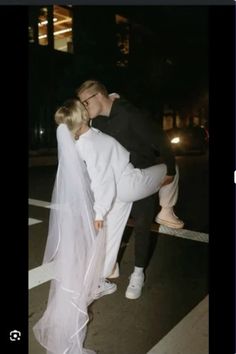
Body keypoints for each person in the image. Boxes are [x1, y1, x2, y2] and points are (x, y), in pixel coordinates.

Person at [54, 99, 180, 300]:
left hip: (118, 191)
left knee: (111, 236)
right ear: (82, 116)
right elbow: (100, 180)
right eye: (84, 106)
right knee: (171, 169)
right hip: (130, 183)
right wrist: (100, 211)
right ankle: (167, 209)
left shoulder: (86, 138)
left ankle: (98, 281)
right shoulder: (91, 143)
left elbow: (103, 179)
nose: (87, 107)